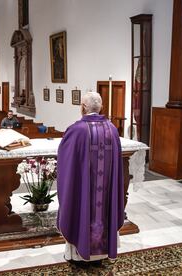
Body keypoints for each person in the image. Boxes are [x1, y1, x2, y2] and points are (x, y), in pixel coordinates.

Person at [57, 92, 124, 266]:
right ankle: (100, 256)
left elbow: (66, 161)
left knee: (81, 208)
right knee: (103, 211)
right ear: (100, 107)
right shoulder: (112, 130)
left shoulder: (76, 130)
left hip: (83, 191)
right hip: (106, 192)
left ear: (83, 107)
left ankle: (79, 257)